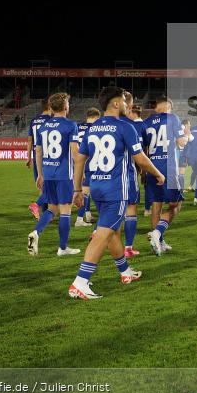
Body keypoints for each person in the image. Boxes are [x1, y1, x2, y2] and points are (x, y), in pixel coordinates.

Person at [68, 86, 165, 300]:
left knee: (112, 231)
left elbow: (80, 159)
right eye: (123, 100)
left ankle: (125, 271)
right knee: (104, 233)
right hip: (115, 190)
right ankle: (80, 282)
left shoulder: (92, 128)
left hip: (97, 187)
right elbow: (140, 159)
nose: (126, 104)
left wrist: (77, 189)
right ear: (115, 103)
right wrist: (158, 174)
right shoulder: (125, 126)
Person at [27, 93, 81, 257]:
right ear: (65, 107)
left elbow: (38, 152)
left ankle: (36, 232)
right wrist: (81, 171)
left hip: (48, 174)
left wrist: (40, 174)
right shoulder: (70, 125)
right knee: (65, 210)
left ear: (51, 108)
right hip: (64, 175)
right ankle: (62, 248)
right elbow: (75, 153)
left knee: (52, 208)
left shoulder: (43, 127)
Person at [143, 96, 188, 256]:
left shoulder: (146, 122)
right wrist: (186, 135)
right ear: (168, 107)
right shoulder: (173, 118)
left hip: (152, 168)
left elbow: (143, 149)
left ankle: (159, 243)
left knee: (156, 204)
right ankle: (157, 233)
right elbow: (181, 142)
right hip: (168, 168)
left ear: (156, 107)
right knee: (176, 204)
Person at [121, 95, 147, 257]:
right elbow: (139, 156)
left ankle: (97, 233)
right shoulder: (129, 126)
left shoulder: (97, 125)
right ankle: (128, 248)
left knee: (110, 211)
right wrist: (156, 173)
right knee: (130, 208)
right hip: (126, 174)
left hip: (101, 178)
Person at [74, 107, 102, 227]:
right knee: (87, 192)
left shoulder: (78, 126)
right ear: (97, 117)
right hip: (91, 162)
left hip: (79, 161)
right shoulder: (97, 128)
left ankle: (87, 214)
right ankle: (80, 219)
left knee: (86, 191)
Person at [26, 99, 52, 220]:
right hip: (47, 156)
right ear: (50, 107)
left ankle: (44, 213)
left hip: (36, 156)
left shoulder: (34, 121)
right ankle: (39, 207)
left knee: (42, 185)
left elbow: (29, 141)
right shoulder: (51, 120)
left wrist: (28, 157)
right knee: (52, 185)